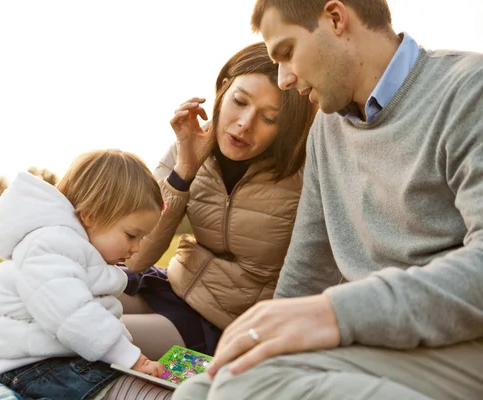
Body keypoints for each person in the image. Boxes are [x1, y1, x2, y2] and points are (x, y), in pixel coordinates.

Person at [174, 0, 483, 399]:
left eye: (287, 53)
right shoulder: (326, 128)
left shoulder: (468, 90)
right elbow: (307, 267)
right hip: (376, 343)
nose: (284, 79)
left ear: (336, 19)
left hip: (462, 343)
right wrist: (264, 338)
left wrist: (335, 312)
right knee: (197, 391)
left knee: (246, 387)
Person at [120, 41, 316, 360]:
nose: (244, 123)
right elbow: (137, 258)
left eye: (269, 117)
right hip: (170, 284)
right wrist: (184, 170)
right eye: (240, 101)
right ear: (223, 90)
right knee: (55, 306)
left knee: (84, 338)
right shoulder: (188, 146)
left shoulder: (303, 173)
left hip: (224, 324)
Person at [0, 150, 168, 400]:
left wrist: (130, 357)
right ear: (90, 215)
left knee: (135, 383)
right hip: (32, 365)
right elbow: (74, 316)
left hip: (64, 356)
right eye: (131, 235)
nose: (136, 248)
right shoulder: (48, 246)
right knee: (135, 393)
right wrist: (131, 358)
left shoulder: (75, 247)